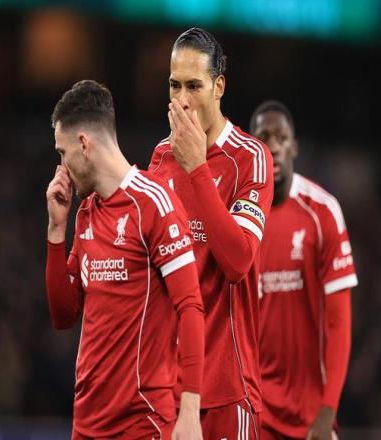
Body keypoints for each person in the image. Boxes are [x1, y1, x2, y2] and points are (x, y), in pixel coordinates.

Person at [45, 80, 205, 439]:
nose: (62, 166)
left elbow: (191, 307)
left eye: (63, 152)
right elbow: (63, 315)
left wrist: (190, 410)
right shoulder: (86, 212)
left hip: (140, 422)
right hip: (86, 424)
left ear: (84, 144)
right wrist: (56, 231)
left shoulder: (154, 204)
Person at [149, 28, 273, 439]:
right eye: (174, 85)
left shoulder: (250, 157)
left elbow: (238, 262)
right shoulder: (161, 158)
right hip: (166, 392)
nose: (182, 99)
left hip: (227, 391)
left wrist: (197, 169)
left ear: (218, 87)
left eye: (194, 86)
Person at [249, 100, 358, 440]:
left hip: (311, 419)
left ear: (294, 146)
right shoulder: (239, 219)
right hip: (253, 413)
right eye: (263, 138)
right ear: (252, 149)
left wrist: (328, 411)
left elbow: (339, 322)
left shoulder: (322, 212)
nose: (273, 147)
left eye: (281, 138)